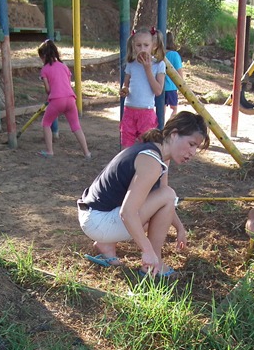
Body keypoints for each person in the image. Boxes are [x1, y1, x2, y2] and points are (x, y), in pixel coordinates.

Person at [77, 111, 210, 277]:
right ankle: (152, 266)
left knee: (164, 201)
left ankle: (107, 246)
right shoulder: (151, 161)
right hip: (98, 221)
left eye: (196, 147)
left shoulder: (158, 154)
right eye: (191, 144)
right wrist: (147, 251)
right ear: (174, 135)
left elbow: (162, 205)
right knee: (168, 195)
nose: (193, 152)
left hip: (94, 215)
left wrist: (179, 227)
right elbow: (127, 212)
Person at [36, 39, 91, 159]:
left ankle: (49, 151)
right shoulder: (64, 66)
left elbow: (48, 89)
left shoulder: (45, 69)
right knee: (76, 126)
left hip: (56, 100)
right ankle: (87, 152)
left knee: (46, 123)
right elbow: (67, 83)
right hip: (71, 99)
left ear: (44, 56)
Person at [119, 27, 166, 148]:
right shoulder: (131, 64)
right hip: (129, 110)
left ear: (153, 46)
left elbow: (158, 91)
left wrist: (147, 69)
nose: (142, 49)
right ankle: (126, 165)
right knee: (126, 144)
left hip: (147, 112)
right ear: (134, 46)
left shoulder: (159, 65)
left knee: (146, 146)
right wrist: (124, 90)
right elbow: (126, 84)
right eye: (138, 45)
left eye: (146, 45)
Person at [164, 31, 183, 121]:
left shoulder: (159, 55)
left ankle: (161, 125)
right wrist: (181, 85)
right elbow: (179, 72)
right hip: (171, 87)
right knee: (174, 108)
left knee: (161, 109)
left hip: (161, 86)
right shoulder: (175, 55)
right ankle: (169, 123)